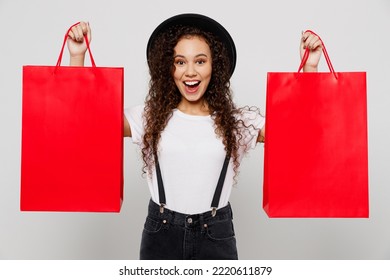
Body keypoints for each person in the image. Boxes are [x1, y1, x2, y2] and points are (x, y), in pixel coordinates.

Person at [67, 14, 322, 260]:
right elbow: (89, 127)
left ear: (215, 66)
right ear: (169, 68)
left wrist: (310, 68)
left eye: (200, 61)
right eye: (180, 62)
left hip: (216, 234)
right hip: (161, 233)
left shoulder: (237, 121)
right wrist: (77, 56)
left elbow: (297, 135)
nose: (190, 71)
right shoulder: (148, 116)